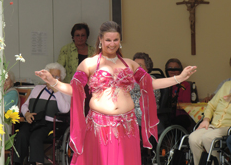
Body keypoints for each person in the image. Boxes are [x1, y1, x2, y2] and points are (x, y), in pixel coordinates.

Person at [35, 21, 197, 165]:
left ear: (120, 41)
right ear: (100, 41)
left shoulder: (130, 64)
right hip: (99, 126)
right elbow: (73, 90)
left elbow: (151, 84)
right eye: (108, 40)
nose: (112, 44)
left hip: (127, 125)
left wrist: (179, 77)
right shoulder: (89, 64)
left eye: (115, 40)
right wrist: (52, 81)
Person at [14, 63, 71, 165]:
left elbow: (65, 109)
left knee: (35, 138)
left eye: (56, 77)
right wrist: (26, 114)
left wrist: (55, 90)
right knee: (21, 135)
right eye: (50, 76)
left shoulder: (65, 90)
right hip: (33, 120)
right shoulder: (37, 88)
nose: (52, 78)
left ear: (61, 78)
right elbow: (25, 105)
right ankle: (17, 162)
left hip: (50, 124)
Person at [130, 52, 161, 165]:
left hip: (142, 115)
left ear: (147, 68)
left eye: (140, 65)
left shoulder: (150, 79)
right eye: (134, 65)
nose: (136, 68)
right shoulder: (129, 79)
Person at [165, 58, 196, 132]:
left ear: (180, 71)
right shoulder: (163, 83)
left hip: (180, 116)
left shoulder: (185, 85)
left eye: (176, 68)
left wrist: (172, 104)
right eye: (170, 68)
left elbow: (186, 104)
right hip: (165, 114)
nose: (173, 71)